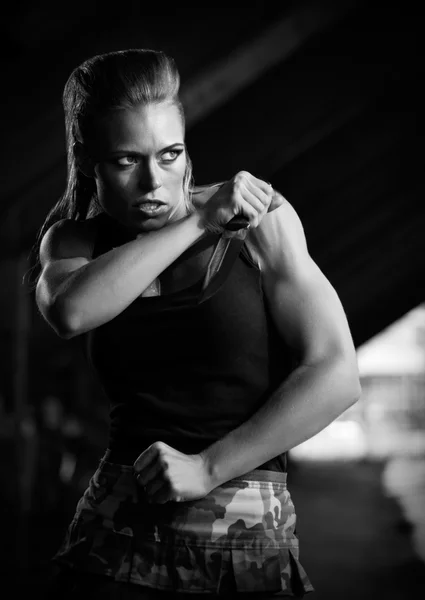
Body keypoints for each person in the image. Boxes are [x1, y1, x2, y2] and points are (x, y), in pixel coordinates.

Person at [32, 48, 361, 598]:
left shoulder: (260, 222)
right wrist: (200, 220)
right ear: (89, 160)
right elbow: (71, 312)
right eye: (126, 161)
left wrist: (207, 468)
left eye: (169, 155)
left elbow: (336, 374)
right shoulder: (73, 243)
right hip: (113, 543)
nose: (153, 183)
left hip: (245, 543)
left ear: (188, 152)